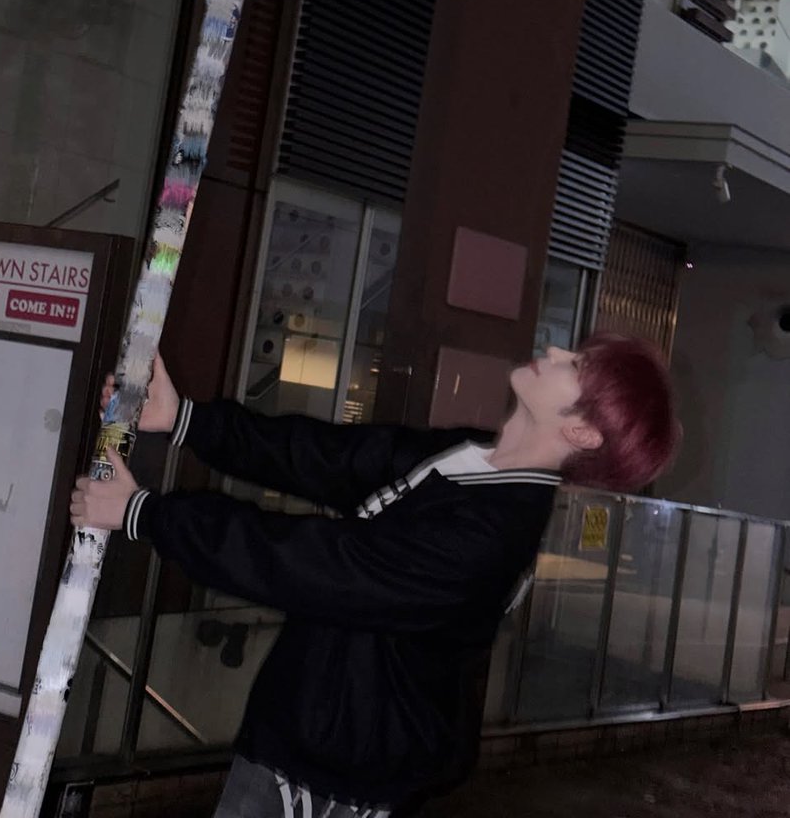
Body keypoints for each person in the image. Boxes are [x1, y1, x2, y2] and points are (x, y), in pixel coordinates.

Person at [71, 334, 679, 818]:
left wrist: (144, 513)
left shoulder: (489, 535)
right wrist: (186, 420)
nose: (553, 352)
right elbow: (330, 457)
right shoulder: (474, 458)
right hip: (308, 732)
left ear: (582, 430)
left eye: (576, 363)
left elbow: (320, 565)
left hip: (337, 773)